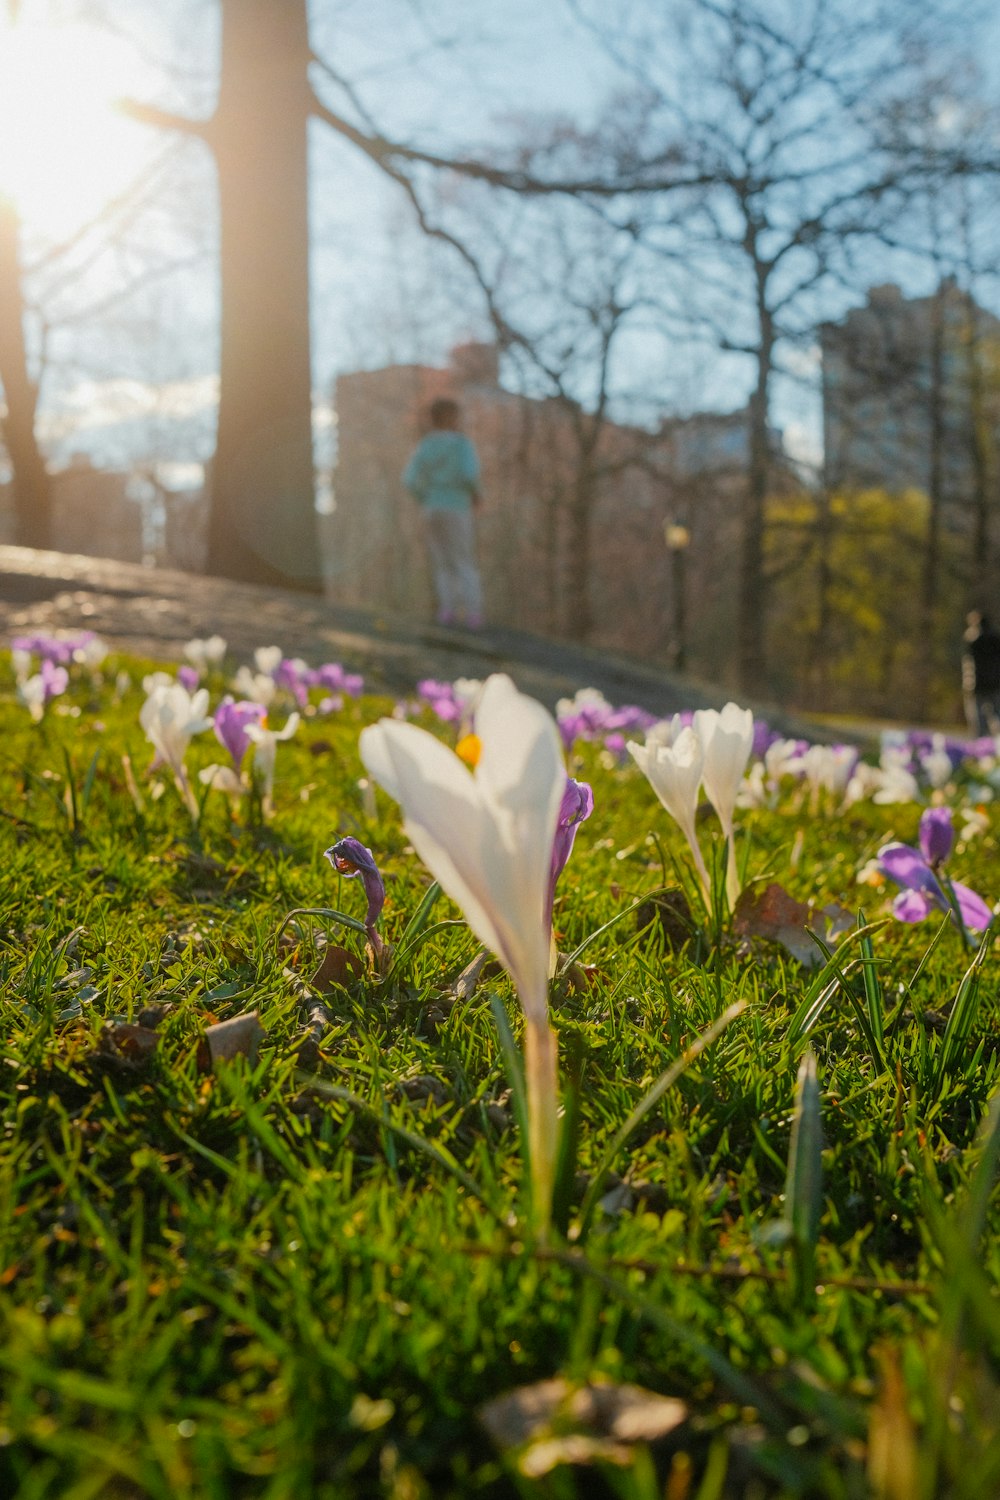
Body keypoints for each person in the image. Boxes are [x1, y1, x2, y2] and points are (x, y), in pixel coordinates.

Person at [402, 397, 484, 629]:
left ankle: (446, 611)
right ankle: (473, 614)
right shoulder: (461, 444)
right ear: (450, 417)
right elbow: (469, 474)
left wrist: (425, 498)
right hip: (456, 506)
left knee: (442, 561)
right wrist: (476, 494)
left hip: (431, 508)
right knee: (463, 559)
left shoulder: (426, 445)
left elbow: (409, 479)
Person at [961, 610, 1000, 736]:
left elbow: (969, 665)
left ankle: (981, 746)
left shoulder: (974, 641)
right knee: (996, 715)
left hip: (978, 685)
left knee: (978, 721)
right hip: (995, 684)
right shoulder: (996, 639)